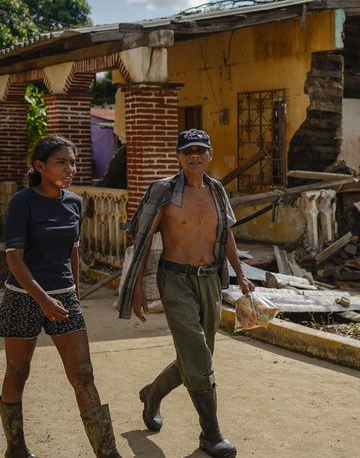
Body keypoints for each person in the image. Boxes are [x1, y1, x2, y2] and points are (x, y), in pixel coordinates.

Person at [116, 128, 254, 458]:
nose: (193, 155)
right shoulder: (163, 190)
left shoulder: (217, 190)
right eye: (187, 151)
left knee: (197, 357)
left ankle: (152, 394)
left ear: (209, 154)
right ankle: (211, 434)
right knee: (197, 356)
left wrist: (241, 275)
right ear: (178, 156)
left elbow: (227, 235)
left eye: (199, 150)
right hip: (175, 280)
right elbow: (143, 237)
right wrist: (136, 289)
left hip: (209, 280)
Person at [0, 135, 120, 458]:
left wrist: (74, 294)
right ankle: (16, 446)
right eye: (61, 162)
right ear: (40, 166)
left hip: (64, 298)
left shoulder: (74, 203)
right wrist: (42, 300)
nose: (70, 168)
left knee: (83, 374)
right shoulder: (22, 203)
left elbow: (73, 252)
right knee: (18, 371)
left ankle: (108, 453)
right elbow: (14, 258)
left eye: (73, 162)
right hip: (23, 297)